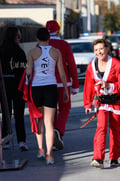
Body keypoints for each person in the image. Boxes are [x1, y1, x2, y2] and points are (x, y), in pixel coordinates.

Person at [26, 28, 69, 164]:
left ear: (37, 39)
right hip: (51, 87)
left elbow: (28, 71)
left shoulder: (32, 52)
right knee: (49, 123)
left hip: (36, 88)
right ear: (49, 38)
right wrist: (66, 90)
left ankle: (40, 150)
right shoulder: (56, 52)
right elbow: (62, 73)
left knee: (39, 120)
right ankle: (50, 155)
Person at [83, 39, 120, 168]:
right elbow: (88, 86)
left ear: (107, 48)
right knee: (101, 128)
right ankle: (98, 158)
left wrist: (108, 85)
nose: (99, 52)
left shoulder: (116, 64)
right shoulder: (91, 66)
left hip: (116, 101)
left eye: (101, 49)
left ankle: (114, 158)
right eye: (96, 50)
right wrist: (87, 103)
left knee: (115, 131)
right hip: (101, 102)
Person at [45, 20, 79, 151]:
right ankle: (58, 130)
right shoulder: (64, 44)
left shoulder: (41, 45)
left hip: (46, 83)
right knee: (65, 108)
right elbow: (71, 65)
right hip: (62, 83)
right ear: (58, 31)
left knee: (50, 111)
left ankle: (52, 137)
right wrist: (75, 85)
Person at [0, 27, 28, 151]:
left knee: (6, 114)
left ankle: (5, 139)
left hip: (3, 84)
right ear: (15, 37)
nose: (20, 39)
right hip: (17, 85)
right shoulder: (19, 52)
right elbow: (24, 70)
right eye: (18, 36)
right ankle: (21, 141)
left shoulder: (0, 50)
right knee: (19, 114)